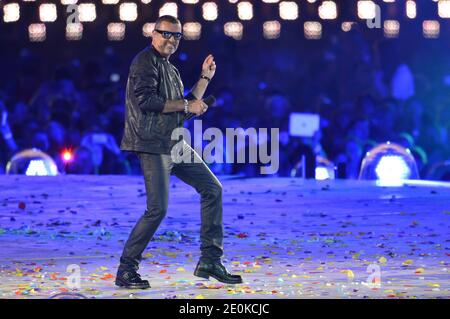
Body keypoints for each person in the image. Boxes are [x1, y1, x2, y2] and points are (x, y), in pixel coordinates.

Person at [115, 15, 243, 289]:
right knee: (157, 209)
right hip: (152, 144)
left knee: (213, 189)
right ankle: (126, 269)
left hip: (174, 142)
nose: (171, 40)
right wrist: (187, 107)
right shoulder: (144, 62)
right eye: (166, 34)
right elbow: (148, 101)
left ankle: (210, 260)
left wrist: (204, 79)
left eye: (176, 36)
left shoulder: (170, 69)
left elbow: (184, 105)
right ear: (153, 33)